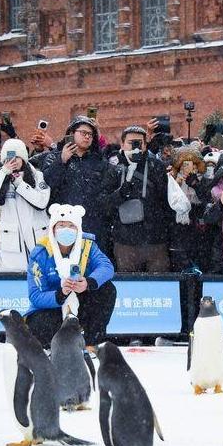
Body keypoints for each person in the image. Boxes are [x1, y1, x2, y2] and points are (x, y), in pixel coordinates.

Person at [25, 204, 116, 352]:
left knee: (107, 289)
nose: (66, 230)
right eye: (61, 225)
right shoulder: (40, 253)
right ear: (53, 229)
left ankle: (91, 343)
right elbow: (35, 296)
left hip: (81, 300)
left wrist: (88, 282)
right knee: (38, 325)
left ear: (78, 229)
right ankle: (58, 344)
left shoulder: (87, 245)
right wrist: (60, 294)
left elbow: (106, 267)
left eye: (71, 225)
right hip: (54, 306)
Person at [39, 116, 114, 254]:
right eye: (83, 133)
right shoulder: (54, 157)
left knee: (92, 267)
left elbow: (107, 191)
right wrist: (62, 161)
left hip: (94, 225)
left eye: (90, 134)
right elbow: (48, 185)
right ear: (71, 134)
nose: (87, 137)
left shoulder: (99, 161)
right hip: (64, 226)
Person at [105, 125, 172, 272]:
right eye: (131, 142)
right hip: (125, 241)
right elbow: (105, 204)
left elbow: (166, 201)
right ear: (122, 144)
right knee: (129, 288)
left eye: (139, 143)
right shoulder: (113, 168)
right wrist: (120, 194)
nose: (135, 146)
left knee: (158, 288)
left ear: (145, 144)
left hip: (155, 240)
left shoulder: (156, 165)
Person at [0, 139, 51, 272]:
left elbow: (41, 202)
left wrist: (20, 184)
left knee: (42, 276)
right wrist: (4, 173)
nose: (13, 161)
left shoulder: (37, 175)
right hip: (13, 244)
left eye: (17, 157)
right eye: (9, 158)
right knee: (12, 285)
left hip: (37, 237)